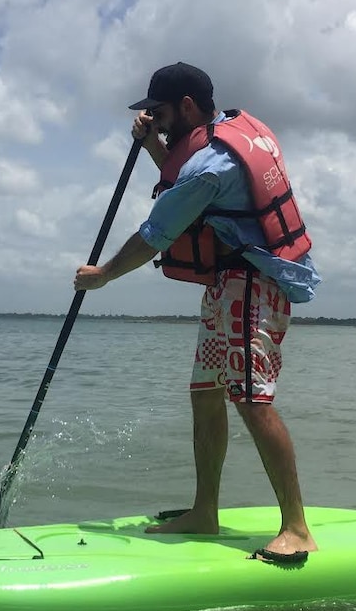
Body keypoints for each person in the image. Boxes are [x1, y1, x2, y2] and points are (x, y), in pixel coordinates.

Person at [73, 62, 321, 564]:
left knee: (252, 400)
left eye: (159, 113)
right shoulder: (220, 136)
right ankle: (204, 511)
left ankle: (296, 527)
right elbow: (181, 176)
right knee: (205, 394)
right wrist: (151, 147)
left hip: (255, 284)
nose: (155, 121)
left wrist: (102, 277)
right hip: (226, 285)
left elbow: (157, 231)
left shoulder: (214, 164)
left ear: (187, 106)